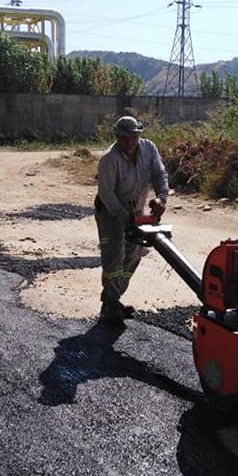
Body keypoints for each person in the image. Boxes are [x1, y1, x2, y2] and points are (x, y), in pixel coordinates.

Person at [94, 115, 169, 325]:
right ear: (117, 137)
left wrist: (161, 198)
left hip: (135, 209)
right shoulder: (110, 159)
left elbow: (160, 175)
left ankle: (113, 299)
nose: (129, 143)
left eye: (133, 138)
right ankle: (110, 306)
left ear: (139, 135)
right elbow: (107, 193)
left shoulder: (149, 149)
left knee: (133, 255)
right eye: (124, 138)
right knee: (114, 256)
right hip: (111, 212)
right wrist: (124, 217)